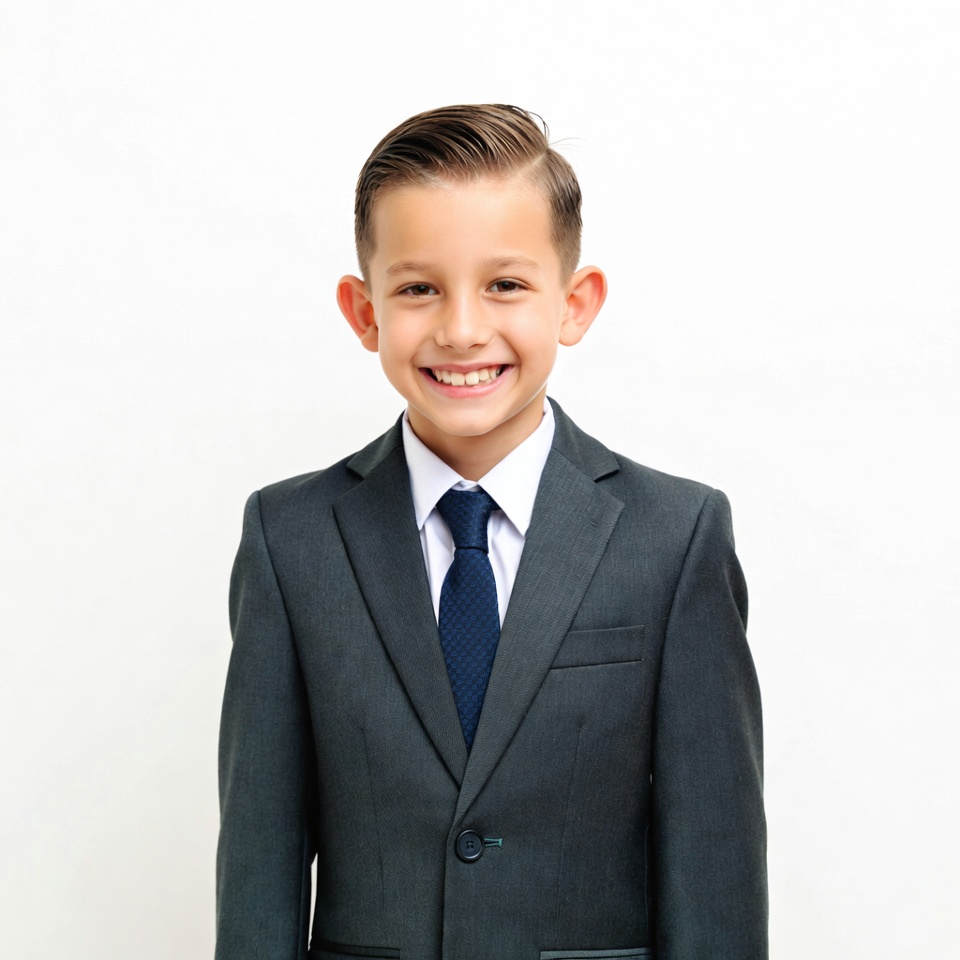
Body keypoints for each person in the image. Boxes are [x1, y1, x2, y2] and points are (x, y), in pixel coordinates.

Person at [216, 103, 767, 960]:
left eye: (504, 284)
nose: (462, 328)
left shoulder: (676, 536)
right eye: (417, 288)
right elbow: (260, 861)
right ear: (363, 313)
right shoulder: (291, 540)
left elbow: (715, 871)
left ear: (574, 304)